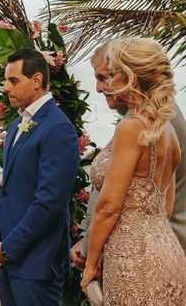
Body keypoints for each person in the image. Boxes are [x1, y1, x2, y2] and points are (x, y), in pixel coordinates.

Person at [80, 38, 186, 304]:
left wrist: (91, 263)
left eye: (113, 74)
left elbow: (108, 207)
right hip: (168, 252)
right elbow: (166, 207)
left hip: (133, 259)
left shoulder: (131, 127)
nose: (107, 84)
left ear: (131, 77)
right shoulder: (167, 131)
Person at [0, 49, 79, 306]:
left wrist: (8, 248)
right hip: (10, 264)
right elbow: (8, 189)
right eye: (6, 81)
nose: (6, 88)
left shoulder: (58, 128)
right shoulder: (16, 125)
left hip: (38, 267)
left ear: (36, 80)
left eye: (14, 81)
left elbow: (48, 203)